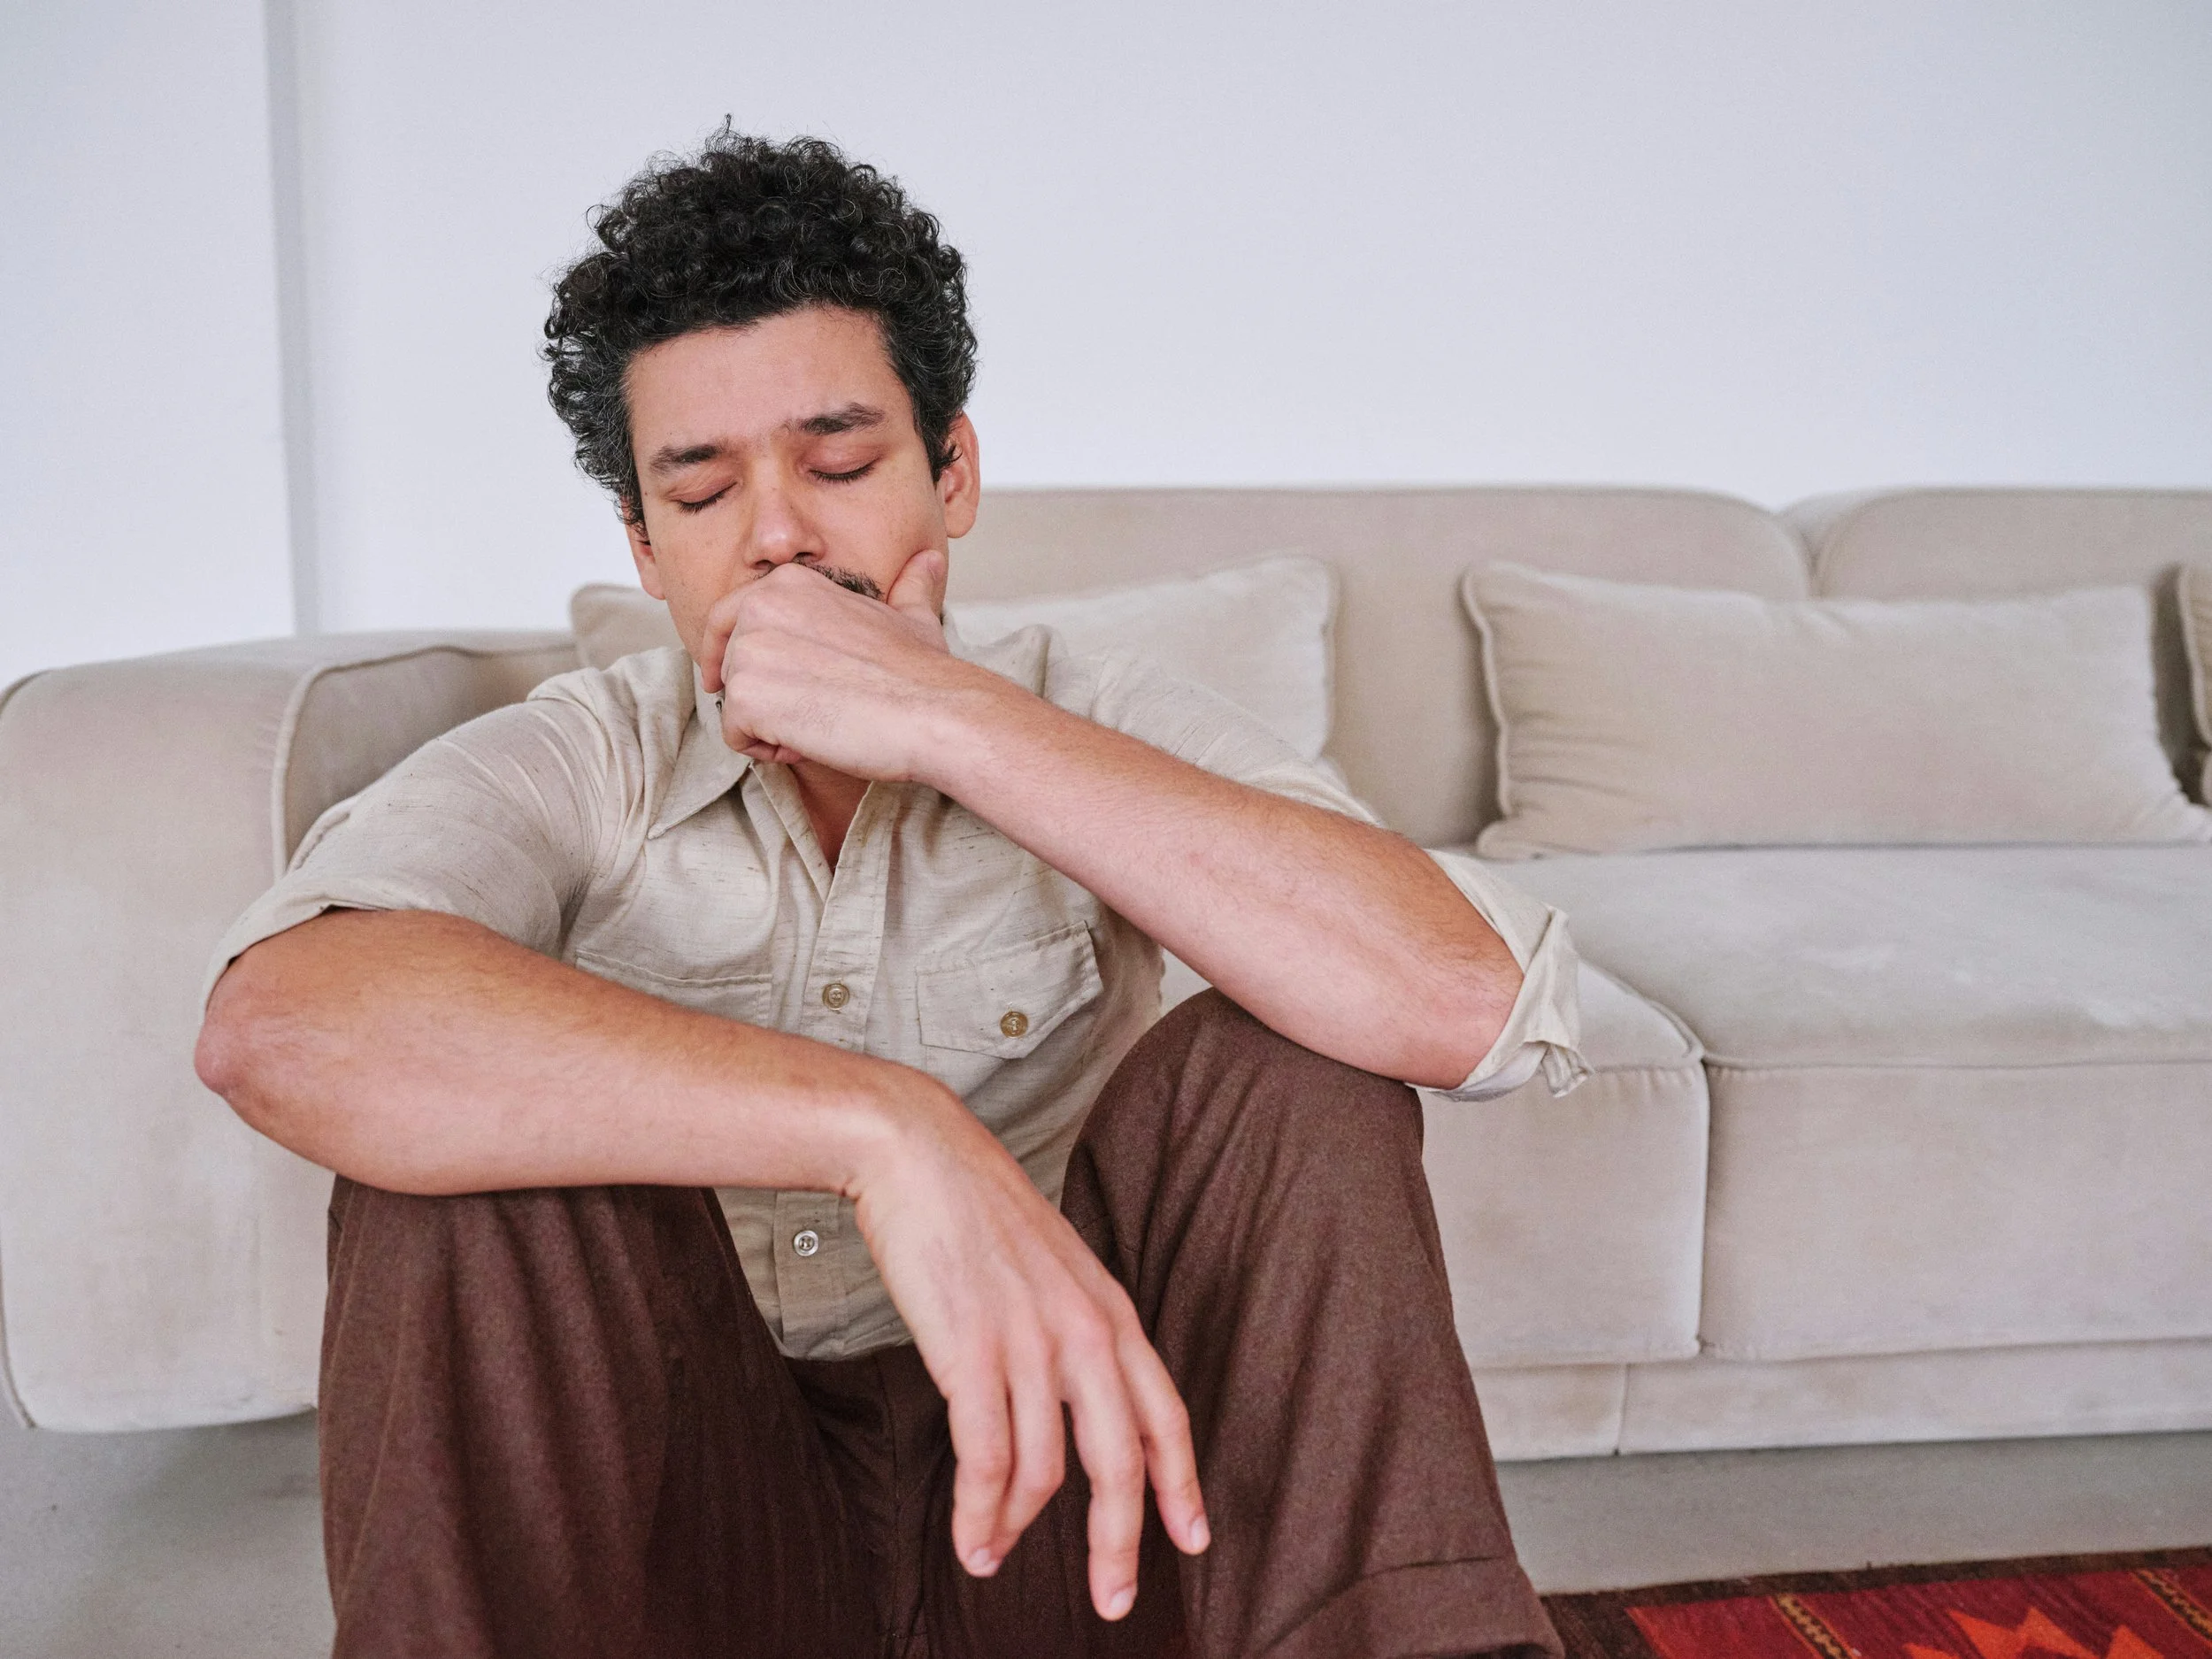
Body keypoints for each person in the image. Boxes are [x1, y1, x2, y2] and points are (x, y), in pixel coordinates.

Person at [195, 128, 1585, 1659]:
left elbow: (1465, 1004)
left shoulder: (1087, 711)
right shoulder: (579, 756)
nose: (780, 531)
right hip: (701, 1542)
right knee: (459, 1163)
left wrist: (945, 718)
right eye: (705, 491)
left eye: (842, 461)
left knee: (1294, 1068)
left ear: (954, 472)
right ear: (648, 551)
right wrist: (885, 1131)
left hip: (1081, 1524)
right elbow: (282, 1024)